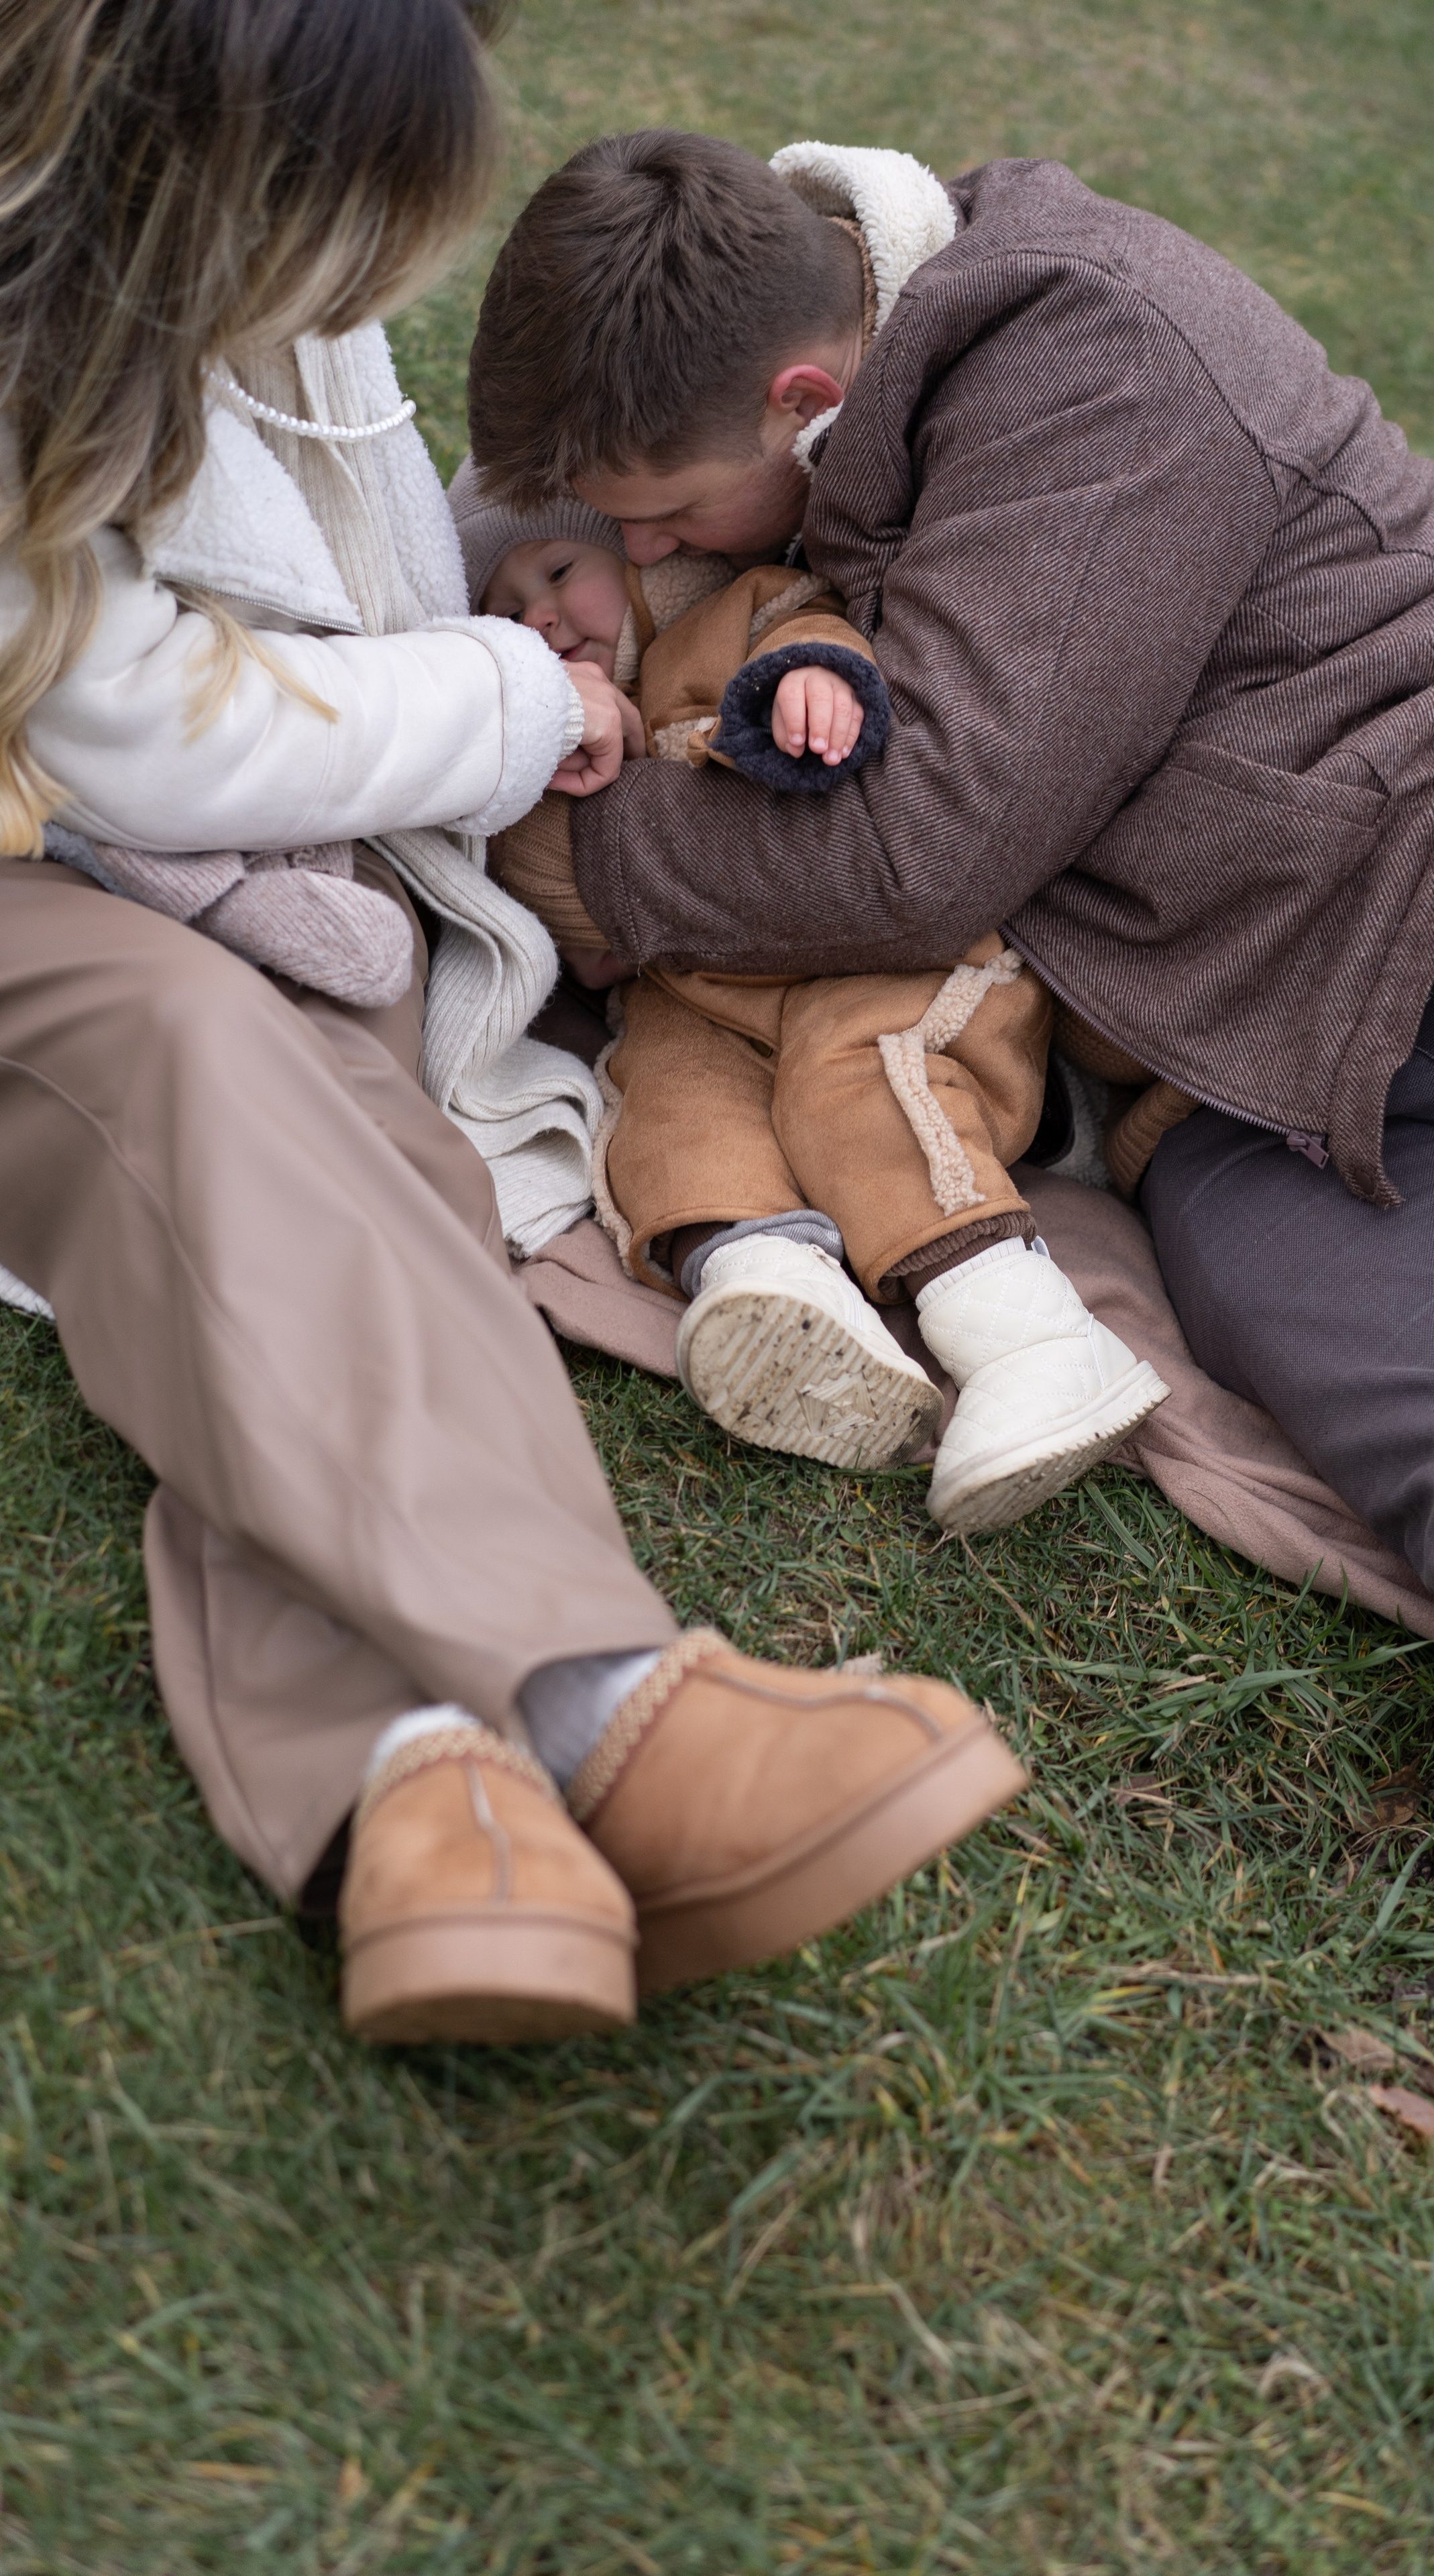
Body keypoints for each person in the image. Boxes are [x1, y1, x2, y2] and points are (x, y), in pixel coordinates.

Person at [467, 127, 1434, 2001]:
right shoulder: (774, 469)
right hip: (1247, 1123)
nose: (640, 562)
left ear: (809, 402)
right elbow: (554, 564)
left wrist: (552, 857)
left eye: (658, 518)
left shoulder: (1096, 340)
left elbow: (924, 851)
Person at [0, 7, 1028, 2049]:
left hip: (205, 871)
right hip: (65, 861)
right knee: (206, 1067)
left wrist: (498, 573)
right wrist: (503, 695)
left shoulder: (222, 294)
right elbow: (126, 705)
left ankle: (433, 1803)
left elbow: (317, 552)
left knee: (340, 1159)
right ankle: (600, 1711)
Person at [446, 470, 1167, 1529]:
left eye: (559, 573)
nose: (540, 612)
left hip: (880, 960)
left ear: (638, 558)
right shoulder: (547, 745)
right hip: (702, 994)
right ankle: (769, 1280)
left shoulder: (726, 612)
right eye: (506, 615)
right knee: (664, 1098)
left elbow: (813, 630)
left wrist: (810, 686)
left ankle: (1035, 1340)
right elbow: (558, 916)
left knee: (861, 1073)